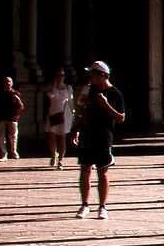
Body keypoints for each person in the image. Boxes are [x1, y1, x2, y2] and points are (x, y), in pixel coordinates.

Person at [72, 61, 126, 217]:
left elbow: (120, 118)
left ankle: (102, 207)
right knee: (85, 169)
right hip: (87, 135)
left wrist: (105, 105)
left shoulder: (115, 93)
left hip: (103, 137)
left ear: (102, 76)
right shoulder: (88, 90)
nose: (89, 77)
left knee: (102, 172)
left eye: (92, 74)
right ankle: (84, 205)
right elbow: (81, 110)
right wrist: (76, 129)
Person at [41, 69, 75, 168]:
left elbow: (71, 101)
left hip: (65, 114)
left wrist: (73, 114)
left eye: (62, 75)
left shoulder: (68, 88)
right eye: (58, 75)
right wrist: (54, 84)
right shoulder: (52, 87)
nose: (60, 77)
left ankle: (61, 159)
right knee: (51, 136)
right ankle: (54, 154)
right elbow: (50, 95)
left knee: (62, 137)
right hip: (53, 113)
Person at [0, 74, 23, 161]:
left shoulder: (15, 93)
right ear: (3, 83)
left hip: (12, 118)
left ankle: (14, 152)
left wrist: (18, 100)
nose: (8, 83)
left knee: (13, 136)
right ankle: (3, 154)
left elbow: (21, 107)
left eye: (9, 81)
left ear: (12, 83)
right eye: (6, 82)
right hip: (1, 117)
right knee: (1, 137)